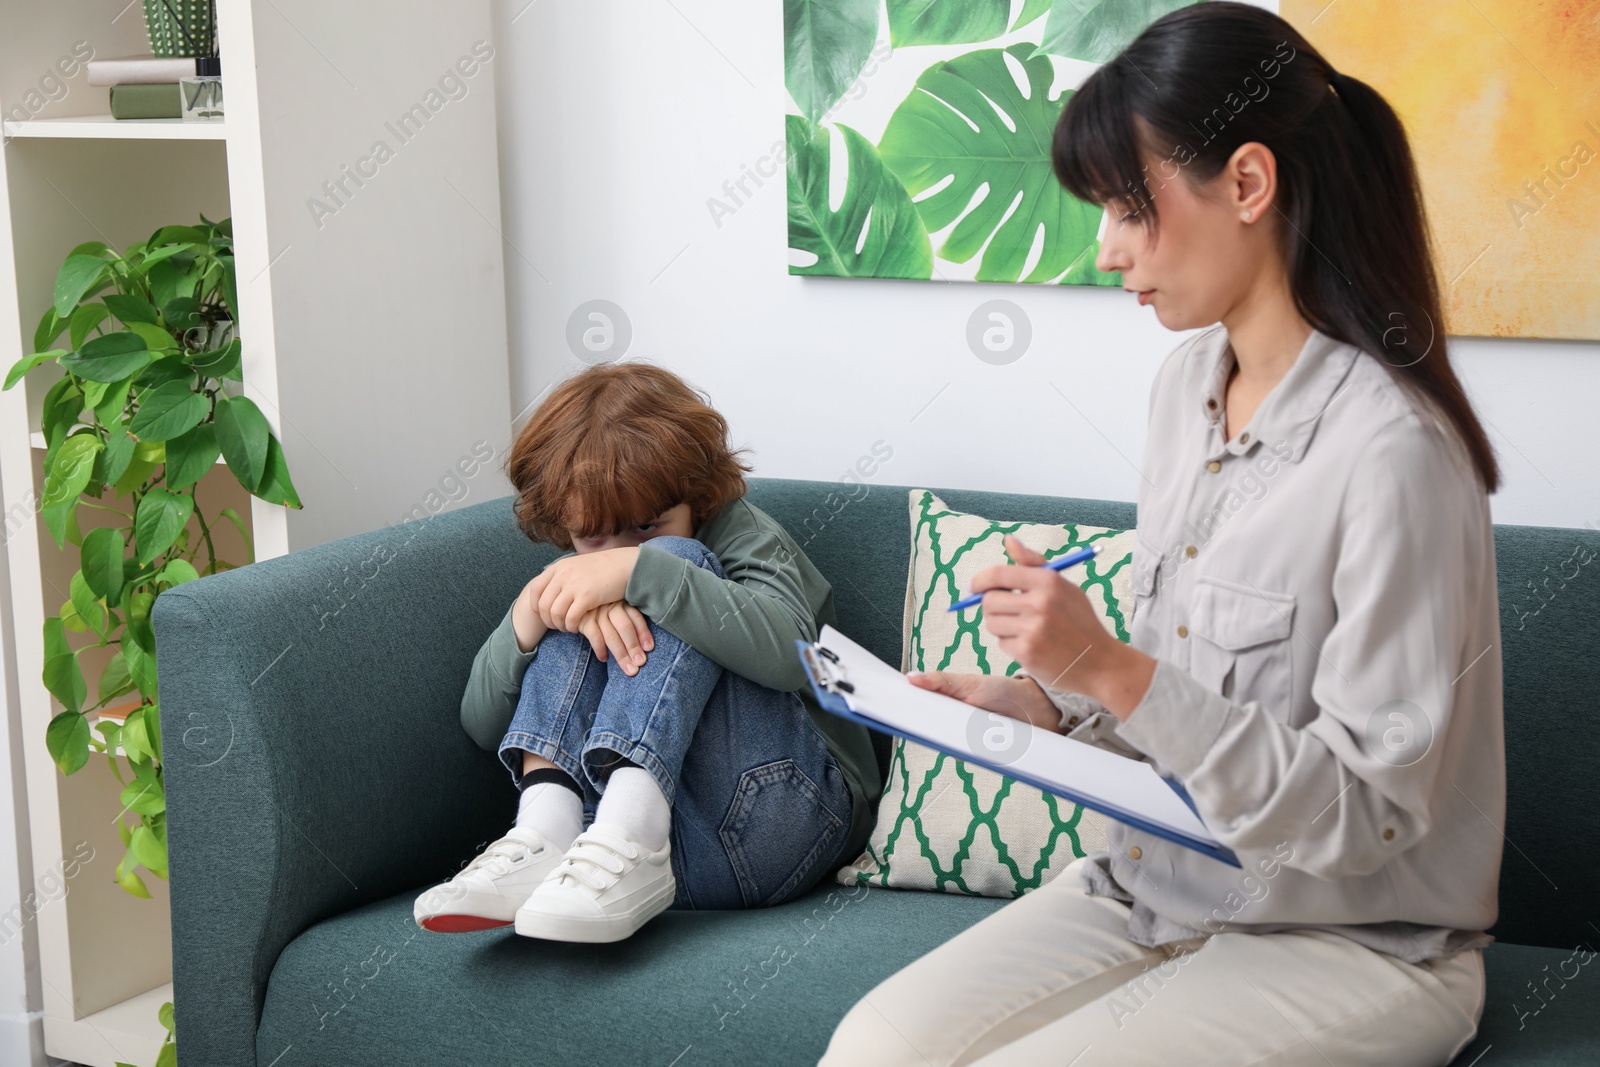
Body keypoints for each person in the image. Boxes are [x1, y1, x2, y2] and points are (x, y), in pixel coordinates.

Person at [822, 3, 1502, 1064]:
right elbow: (1186, 696)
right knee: (871, 1046)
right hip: (1149, 886)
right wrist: (1047, 700)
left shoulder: (1392, 453)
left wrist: (1107, 663)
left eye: (1128, 209)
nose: (1105, 251)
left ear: (1246, 183)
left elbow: (1361, 813)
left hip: (1353, 937)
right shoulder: (1185, 389)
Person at [413, 361, 879, 943]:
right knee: (568, 590)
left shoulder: (746, 535)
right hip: (603, 867)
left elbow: (790, 658)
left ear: (698, 497)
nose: (619, 548)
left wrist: (642, 569)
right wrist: (534, 610)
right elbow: (481, 726)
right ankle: (544, 831)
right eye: (595, 536)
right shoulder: (579, 558)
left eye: (646, 528)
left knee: (675, 566)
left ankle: (631, 820)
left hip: (781, 827)